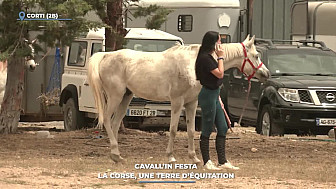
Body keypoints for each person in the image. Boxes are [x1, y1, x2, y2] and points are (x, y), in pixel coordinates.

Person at [195, 31, 239, 170]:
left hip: (215, 94)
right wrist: (221, 57)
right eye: (219, 41)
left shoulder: (210, 57)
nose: (220, 44)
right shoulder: (205, 58)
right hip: (207, 94)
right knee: (207, 127)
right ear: (213, 43)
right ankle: (207, 161)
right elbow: (220, 73)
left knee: (223, 126)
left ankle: (222, 160)